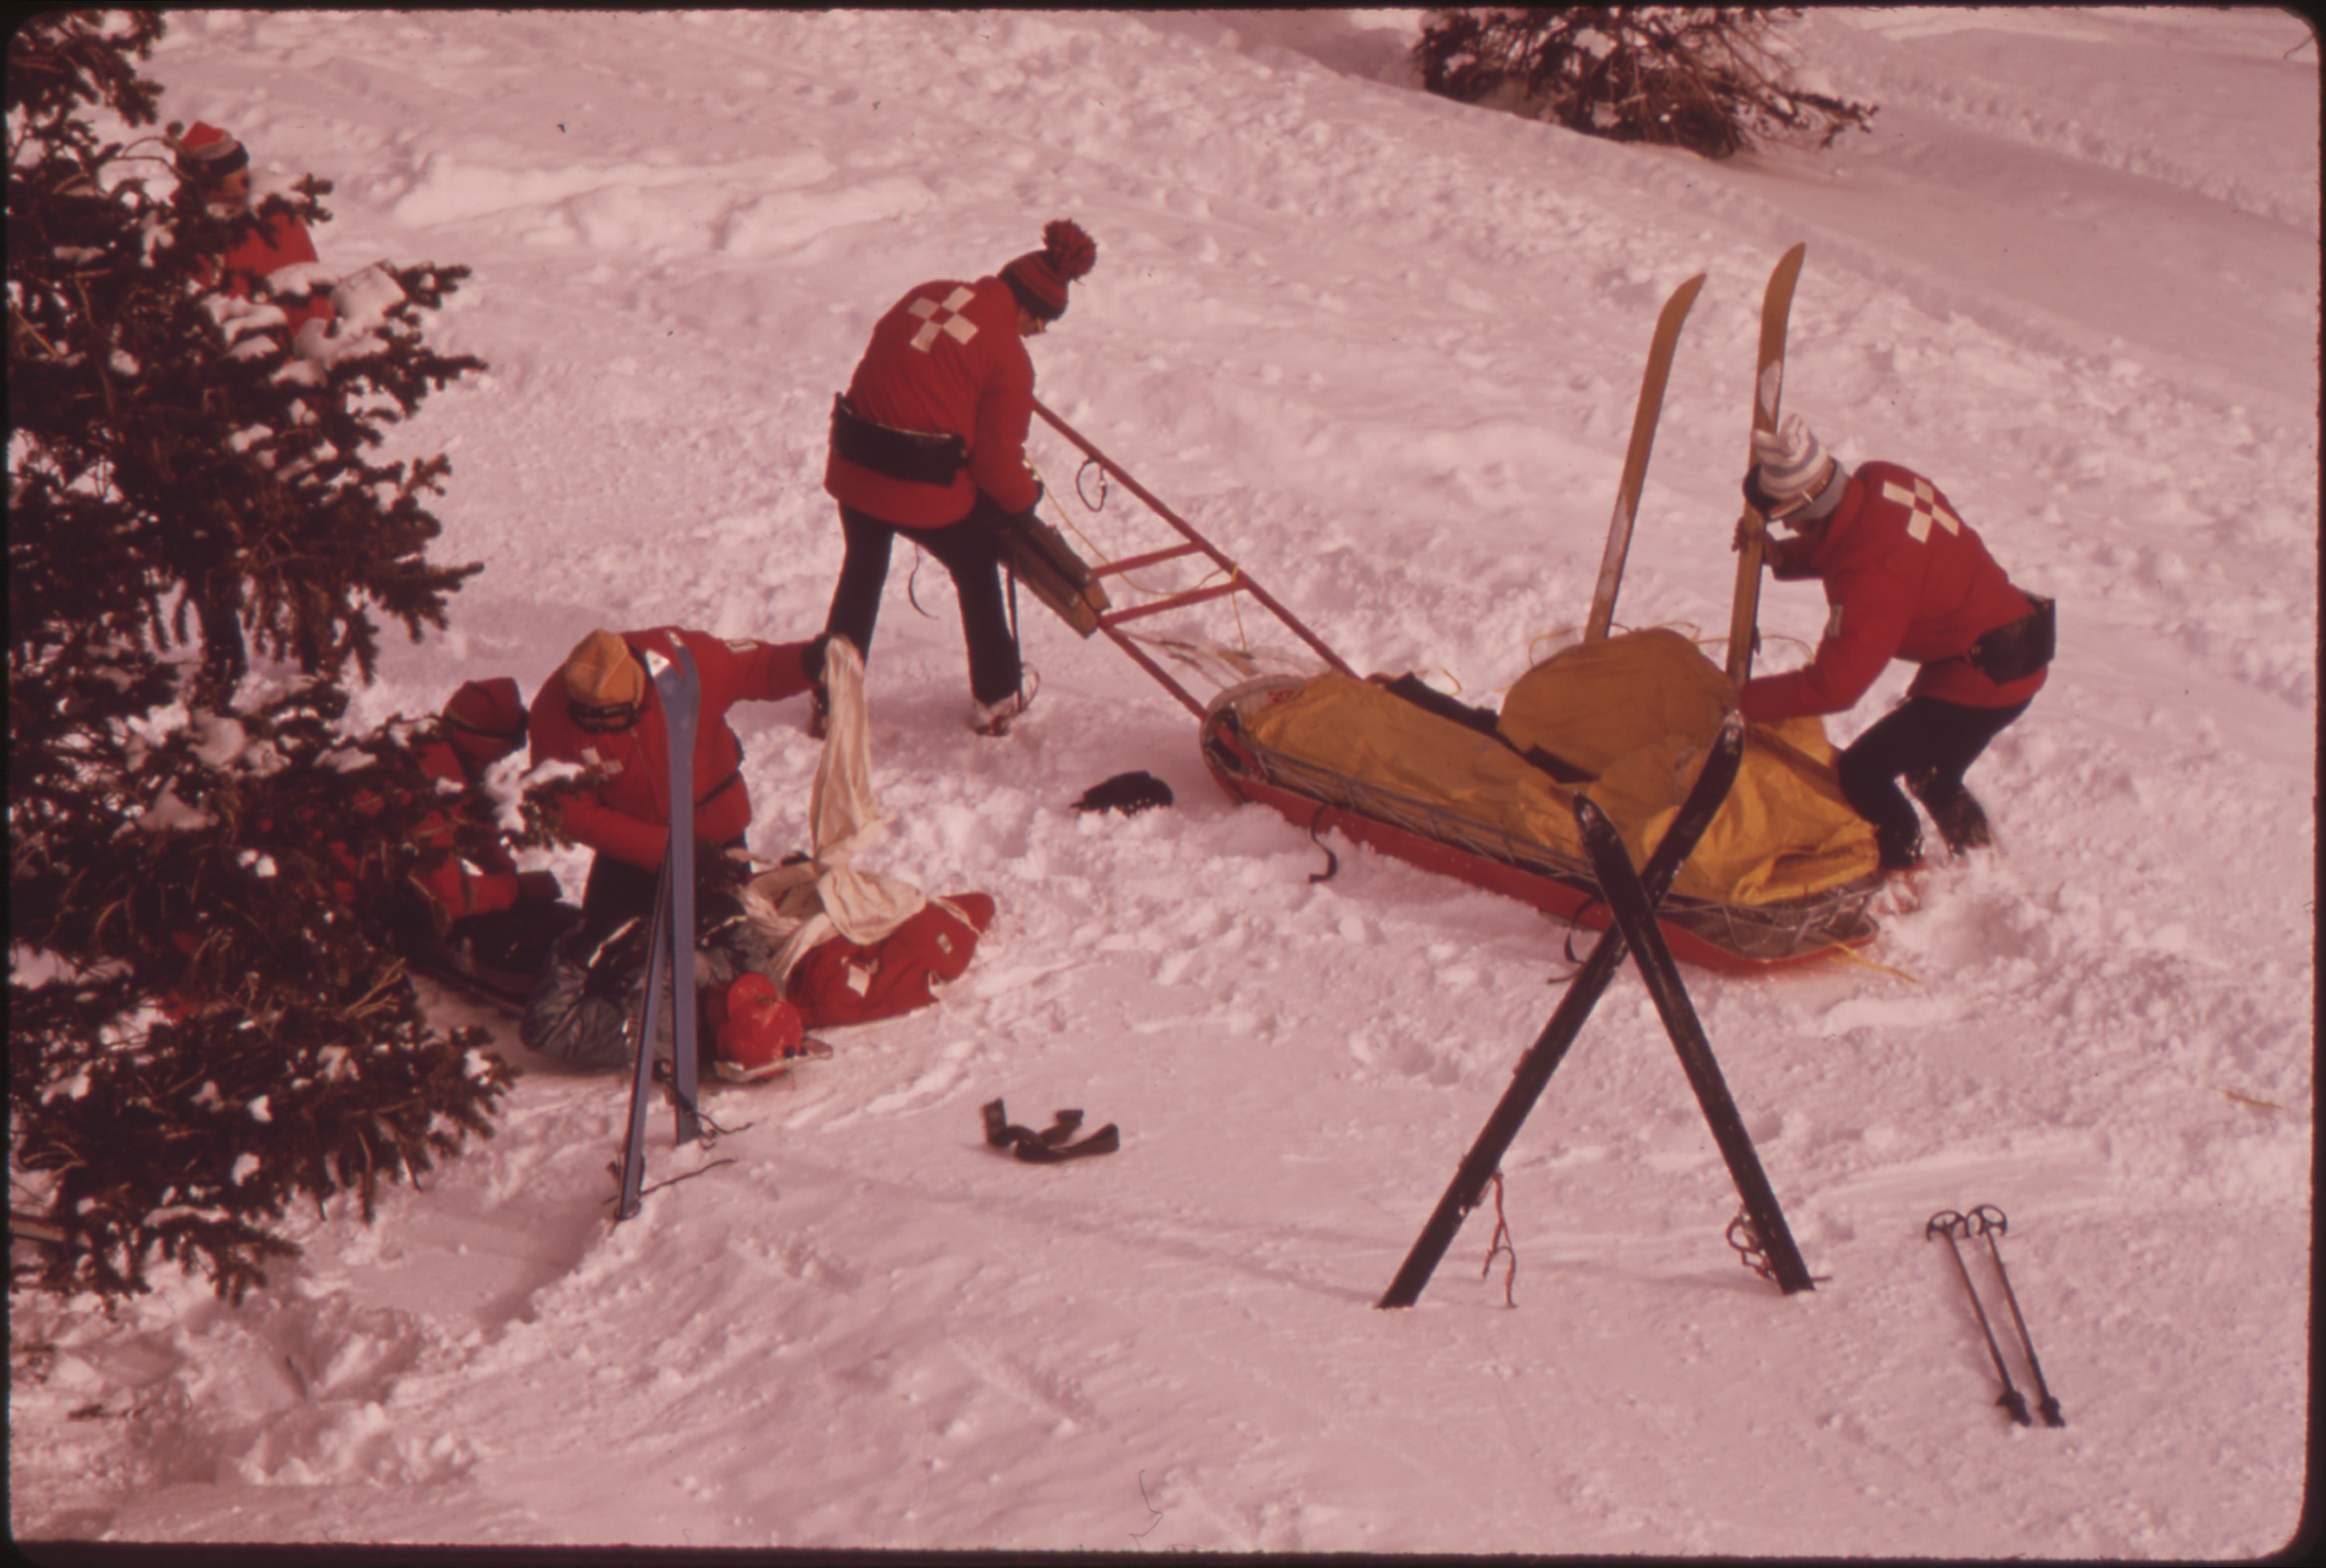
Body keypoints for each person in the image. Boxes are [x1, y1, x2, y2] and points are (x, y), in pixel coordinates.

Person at [1735, 415, 2053, 873]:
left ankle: (1903, 875)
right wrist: (1785, 557)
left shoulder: (1874, 576)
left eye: (1790, 523)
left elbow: (1834, 688)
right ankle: (1987, 873)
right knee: (1933, 776)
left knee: (1864, 772)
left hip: (1986, 677)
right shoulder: (1882, 479)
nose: (1787, 530)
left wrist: (1742, 701)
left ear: (1810, 509)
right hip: (2011, 643)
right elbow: (1860, 540)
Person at [820, 219, 1099, 737]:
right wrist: (1024, 499)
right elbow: (995, 466)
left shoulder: (926, 294)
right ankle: (996, 695)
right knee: (976, 565)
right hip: (921, 485)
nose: (1036, 335)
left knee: (863, 568)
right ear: (1028, 310)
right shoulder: (1009, 357)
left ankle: (830, 698)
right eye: (1041, 323)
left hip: (856, 464)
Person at [525, 625, 824, 946]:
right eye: (588, 719)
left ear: (639, 691)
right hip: (629, 843)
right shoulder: (553, 716)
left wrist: (809, 662)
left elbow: (761, 667)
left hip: (714, 835)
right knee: (603, 950)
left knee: (722, 947)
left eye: (610, 719)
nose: (601, 731)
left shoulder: (689, 664)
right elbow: (573, 813)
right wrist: (668, 851)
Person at [169, 120, 337, 341]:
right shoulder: (179, 230)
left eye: (242, 165)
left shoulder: (278, 220)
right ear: (208, 178)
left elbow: (313, 298)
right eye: (231, 169)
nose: (244, 175)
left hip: (276, 354)